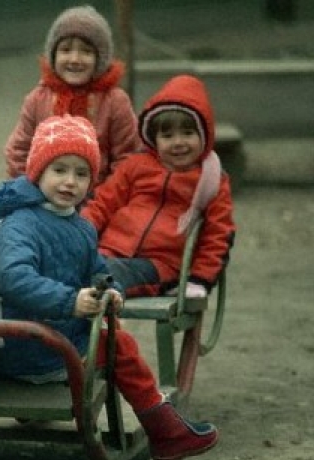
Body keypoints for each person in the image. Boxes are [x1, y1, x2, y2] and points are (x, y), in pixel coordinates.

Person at [0, 114, 219, 460]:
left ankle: (160, 426)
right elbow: (14, 279)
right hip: (29, 347)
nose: (70, 182)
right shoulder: (19, 225)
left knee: (113, 335)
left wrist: (110, 291)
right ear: (37, 172)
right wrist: (70, 301)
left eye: (82, 174)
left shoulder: (78, 226)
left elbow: (96, 269)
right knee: (119, 345)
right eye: (59, 170)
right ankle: (165, 431)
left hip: (57, 338)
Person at [81, 74, 236, 298]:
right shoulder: (136, 166)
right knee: (69, 263)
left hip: (159, 265)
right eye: (168, 135)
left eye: (188, 133)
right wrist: (79, 234)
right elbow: (102, 203)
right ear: (154, 139)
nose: (178, 142)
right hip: (109, 250)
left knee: (105, 274)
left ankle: (96, 289)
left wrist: (199, 279)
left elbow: (218, 235)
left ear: (204, 134)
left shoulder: (211, 179)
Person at [3, 5, 140, 190]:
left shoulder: (115, 101)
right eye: (66, 50)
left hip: (98, 199)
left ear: (101, 59)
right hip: (44, 196)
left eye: (86, 51)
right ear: (53, 55)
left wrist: (106, 198)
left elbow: (127, 156)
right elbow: (19, 151)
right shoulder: (37, 99)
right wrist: (30, 192)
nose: (75, 59)